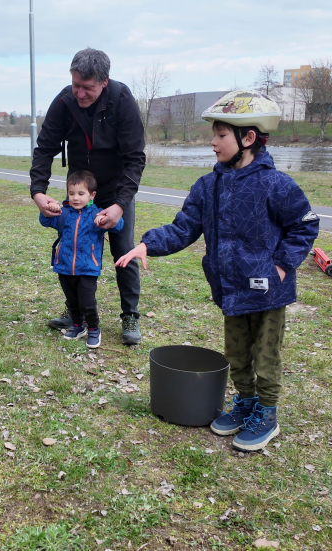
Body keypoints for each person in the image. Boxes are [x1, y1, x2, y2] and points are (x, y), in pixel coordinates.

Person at [117, 91, 319, 452]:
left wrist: (283, 266)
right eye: (214, 135)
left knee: (266, 354)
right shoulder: (208, 186)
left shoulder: (276, 184)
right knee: (236, 353)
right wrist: (148, 244)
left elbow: (304, 224)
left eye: (221, 135)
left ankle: (267, 413)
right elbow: (183, 227)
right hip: (230, 288)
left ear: (248, 138)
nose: (212, 143)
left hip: (268, 290)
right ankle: (244, 404)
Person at [30, 48, 146, 345]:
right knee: (71, 247)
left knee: (124, 251)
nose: (79, 93)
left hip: (116, 189)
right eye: (75, 85)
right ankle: (75, 313)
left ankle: (130, 315)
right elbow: (45, 148)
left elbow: (135, 158)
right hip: (82, 188)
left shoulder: (122, 100)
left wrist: (120, 204)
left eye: (87, 87)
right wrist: (38, 191)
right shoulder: (65, 101)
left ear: (104, 81)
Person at [40, 171, 123, 350]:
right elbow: (46, 221)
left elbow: (118, 225)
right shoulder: (64, 213)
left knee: (86, 302)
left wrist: (106, 219)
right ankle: (78, 326)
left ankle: (94, 329)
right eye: (71, 193)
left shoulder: (97, 215)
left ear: (92, 195)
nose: (75, 198)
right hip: (64, 266)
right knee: (72, 300)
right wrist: (49, 210)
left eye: (80, 193)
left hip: (87, 268)